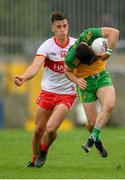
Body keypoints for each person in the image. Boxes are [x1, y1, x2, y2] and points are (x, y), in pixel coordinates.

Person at [13, 11, 77, 167]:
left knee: (50, 128)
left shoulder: (76, 45)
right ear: (53, 28)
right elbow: (35, 66)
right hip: (48, 92)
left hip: (67, 94)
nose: (63, 29)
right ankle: (34, 159)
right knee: (38, 130)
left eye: (65, 26)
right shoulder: (47, 46)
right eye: (59, 27)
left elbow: (90, 60)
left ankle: (44, 150)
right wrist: (24, 77)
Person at [64, 27, 119, 157]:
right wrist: (77, 80)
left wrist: (108, 52)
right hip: (85, 84)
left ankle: (91, 139)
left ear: (90, 47)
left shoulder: (90, 35)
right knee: (91, 124)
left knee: (109, 105)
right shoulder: (71, 58)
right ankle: (97, 140)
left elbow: (114, 32)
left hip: (101, 77)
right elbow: (67, 71)